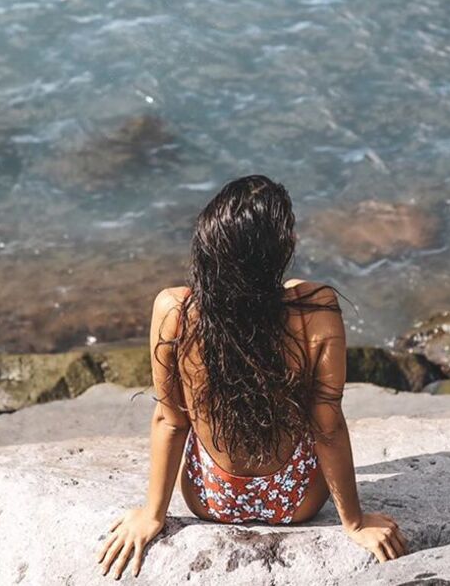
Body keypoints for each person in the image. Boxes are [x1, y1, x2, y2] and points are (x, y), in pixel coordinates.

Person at [96, 173, 408, 579]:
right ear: (279, 250)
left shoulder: (175, 310)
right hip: (296, 503)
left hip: (210, 499)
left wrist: (152, 515)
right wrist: (354, 522)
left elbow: (170, 421)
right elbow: (327, 427)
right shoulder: (316, 310)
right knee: (299, 293)